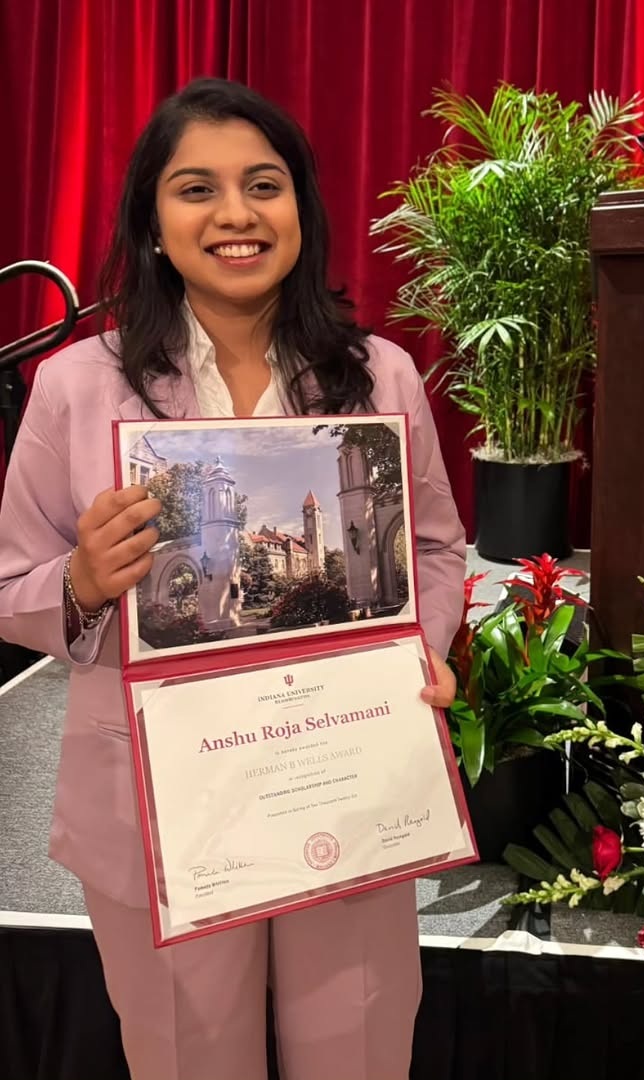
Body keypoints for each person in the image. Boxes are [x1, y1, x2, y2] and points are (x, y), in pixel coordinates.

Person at [0, 77, 466, 1080]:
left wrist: (417, 651)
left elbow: (430, 548)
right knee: (185, 1052)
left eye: (264, 184)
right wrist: (80, 581)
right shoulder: (79, 388)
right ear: (153, 223)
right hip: (160, 801)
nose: (236, 215)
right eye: (195, 188)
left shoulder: (378, 376)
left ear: (300, 207)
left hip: (342, 773)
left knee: (360, 1043)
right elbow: (12, 584)